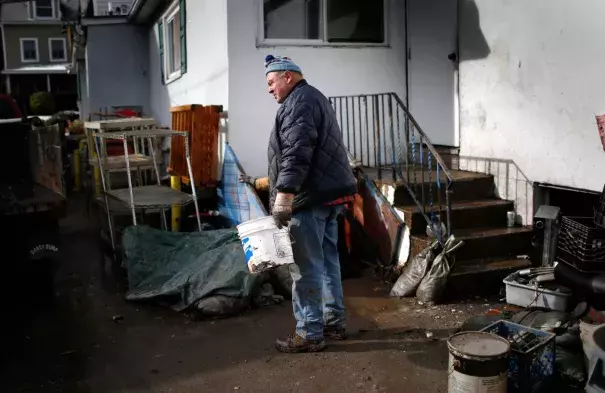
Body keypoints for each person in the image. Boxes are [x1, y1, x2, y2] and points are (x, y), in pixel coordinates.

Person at [243, 55, 357, 353]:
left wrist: (284, 195)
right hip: (331, 196)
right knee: (329, 261)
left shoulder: (298, 103)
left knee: (305, 268)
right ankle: (333, 322)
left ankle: (309, 332)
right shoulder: (314, 97)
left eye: (271, 82)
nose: (269, 90)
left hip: (310, 198)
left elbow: (297, 151)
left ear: (288, 77)